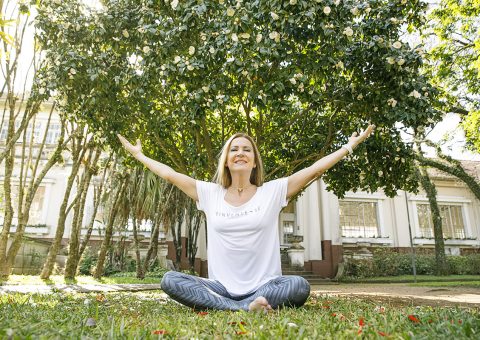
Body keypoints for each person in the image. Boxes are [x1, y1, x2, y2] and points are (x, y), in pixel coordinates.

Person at [117, 125, 374, 312]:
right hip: (220, 287)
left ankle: (235, 306)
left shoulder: (272, 192)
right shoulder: (209, 193)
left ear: (254, 162)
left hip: (264, 286)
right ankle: (243, 308)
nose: (240, 153)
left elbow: (313, 170)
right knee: (170, 280)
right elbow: (170, 174)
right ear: (227, 161)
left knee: (298, 286)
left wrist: (348, 146)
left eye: (247, 150)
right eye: (234, 149)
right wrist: (139, 155)